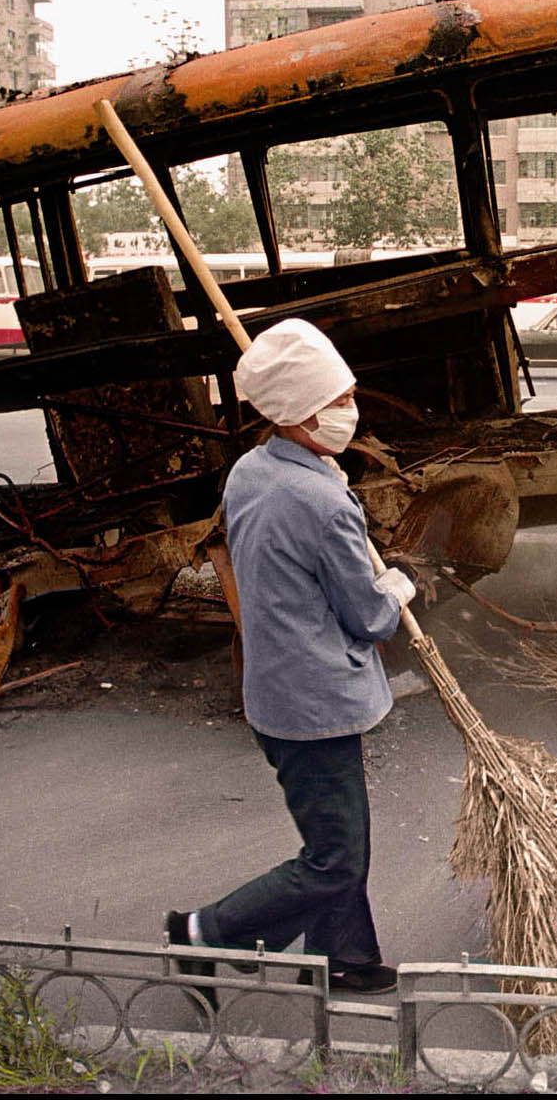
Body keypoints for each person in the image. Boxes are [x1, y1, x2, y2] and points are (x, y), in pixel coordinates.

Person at [164, 319, 416, 995]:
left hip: (277, 693)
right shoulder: (323, 502)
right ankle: (200, 933)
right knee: (336, 858)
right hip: (316, 706)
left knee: (338, 841)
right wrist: (400, 585)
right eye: (339, 401)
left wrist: (326, 475)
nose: (351, 411)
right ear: (301, 413)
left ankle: (344, 957)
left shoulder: (252, 470)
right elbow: (368, 618)